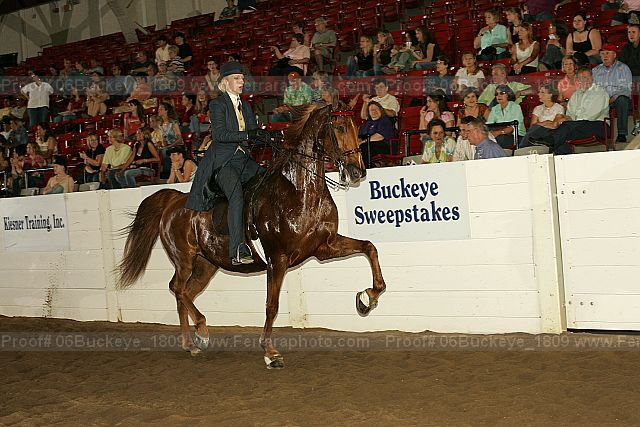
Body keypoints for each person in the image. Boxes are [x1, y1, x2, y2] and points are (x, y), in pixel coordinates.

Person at [184, 61, 268, 265]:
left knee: (269, 181)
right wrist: (248, 134)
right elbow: (220, 135)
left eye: (242, 79)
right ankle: (238, 248)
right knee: (236, 195)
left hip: (243, 158)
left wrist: (265, 136)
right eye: (237, 79)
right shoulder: (217, 104)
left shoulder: (245, 105)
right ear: (225, 82)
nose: (242, 82)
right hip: (224, 161)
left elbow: (252, 134)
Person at [551, 67, 610, 154]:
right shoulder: (576, 94)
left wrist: (572, 123)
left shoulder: (600, 92)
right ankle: (565, 156)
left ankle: (552, 149)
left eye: (589, 77)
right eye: (583, 78)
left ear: (592, 77)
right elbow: (570, 113)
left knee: (563, 130)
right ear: (578, 80)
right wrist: (568, 119)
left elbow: (592, 115)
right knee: (560, 132)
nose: (587, 80)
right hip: (579, 126)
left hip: (599, 126)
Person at [592, 44, 633, 142]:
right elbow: (593, 88)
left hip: (617, 99)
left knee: (622, 100)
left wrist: (612, 99)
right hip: (601, 99)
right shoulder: (596, 70)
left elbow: (626, 89)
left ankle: (622, 134)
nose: (605, 56)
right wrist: (601, 99)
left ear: (614, 55)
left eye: (607, 53)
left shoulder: (623, 68)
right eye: (602, 54)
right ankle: (597, 134)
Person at [358, 101, 395, 169]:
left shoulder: (384, 121)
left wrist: (363, 142)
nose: (374, 111)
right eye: (371, 110)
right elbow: (360, 136)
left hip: (382, 145)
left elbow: (380, 136)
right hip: (367, 144)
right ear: (369, 112)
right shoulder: (367, 123)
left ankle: (368, 169)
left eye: (376, 109)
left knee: (364, 148)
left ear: (380, 110)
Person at [618, 23, 640, 132]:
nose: (630, 34)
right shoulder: (626, 48)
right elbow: (621, 66)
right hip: (630, 79)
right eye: (629, 32)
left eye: (633, 32)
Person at [157, 101, 183, 178]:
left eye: (161, 109)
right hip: (168, 145)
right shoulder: (160, 124)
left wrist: (169, 146)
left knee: (165, 151)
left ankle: (166, 173)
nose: (159, 111)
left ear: (166, 111)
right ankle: (157, 172)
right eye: (159, 109)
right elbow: (163, 138)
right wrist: (161, 144)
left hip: (177, 145)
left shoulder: (173, 123)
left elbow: (179, 138)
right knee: (157, 150)